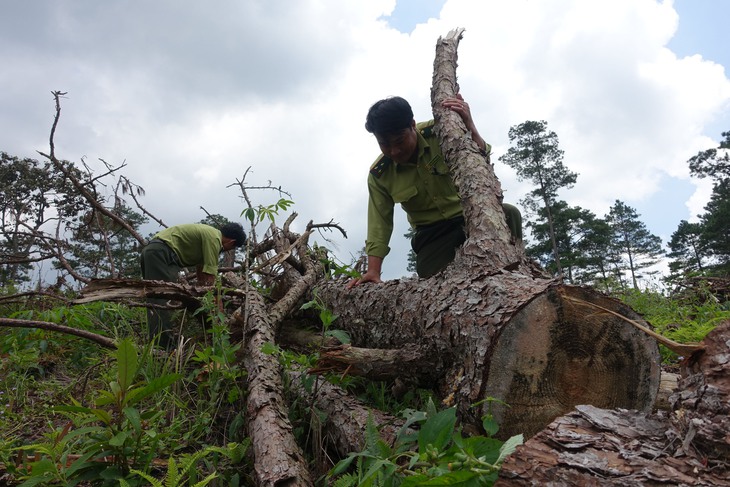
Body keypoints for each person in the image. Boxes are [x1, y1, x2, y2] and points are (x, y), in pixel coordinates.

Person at [348, 95, 521, 288]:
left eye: (399, 141)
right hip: (433, 237)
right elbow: (379, 224)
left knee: (509, 213)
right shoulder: (380, 175)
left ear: (412, 125)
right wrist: (373, 271)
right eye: (385, 144)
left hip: (471, 216)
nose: (394, 151)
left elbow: (481, 159)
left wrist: (469, 125)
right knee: (439, 287)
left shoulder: (442, 132)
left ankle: (516, 274)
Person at [140, 222, 246, 349]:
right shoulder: (214, 239)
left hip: (156, 252)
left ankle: (161, 340)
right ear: (231, 242)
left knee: (161, 298)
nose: (228, 251)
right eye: (232, 248)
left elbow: (202, 274)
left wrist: (200, 295)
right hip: (162, 255)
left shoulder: (209, 235)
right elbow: (210, 279)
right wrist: (219, 308)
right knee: (161, 299)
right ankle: (162, 346)